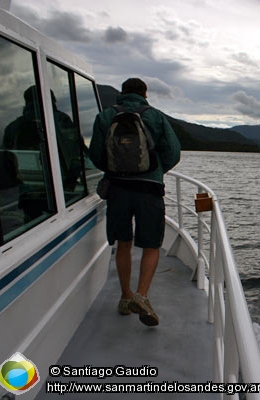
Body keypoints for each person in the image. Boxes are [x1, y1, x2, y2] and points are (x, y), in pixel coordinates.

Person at [89, 78, 181, 326]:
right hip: (149, 189)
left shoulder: (105, 116)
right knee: (151, 244)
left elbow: (96, 154)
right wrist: (155, 171)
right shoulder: (156, 116)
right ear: (145, 94)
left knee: (123, 242)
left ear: (122, 93)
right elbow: (173, 152)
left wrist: (114, 169)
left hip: (117, 189)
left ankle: (125, 296)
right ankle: (142, 295)